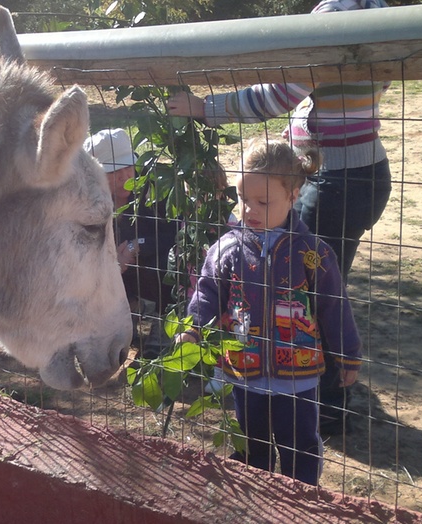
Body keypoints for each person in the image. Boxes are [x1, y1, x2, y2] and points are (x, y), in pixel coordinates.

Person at [168, 0, 391, 436]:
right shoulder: (376, 8)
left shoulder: (334, 14)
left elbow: (279, 94)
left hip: (337, 179)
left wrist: (204, 108)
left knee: (307, 280)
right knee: (318, 276)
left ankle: (320, 403)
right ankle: (322, 394)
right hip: (363, 172)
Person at [173, 139, 362, 485]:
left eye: (262, 201)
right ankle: (255, 498)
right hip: (245, 371)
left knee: (300, 446)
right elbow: (208, 291)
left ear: (293, 195)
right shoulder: (228, 249)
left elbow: (333, 305)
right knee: (250, 447)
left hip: (298, 376)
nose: (249, 210)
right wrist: (194, 326)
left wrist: (348, 355)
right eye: (243, 199)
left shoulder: (313, 254)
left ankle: (300, 500)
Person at [84, 128, 178, 359]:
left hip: (151, 262)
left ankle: (163, 320)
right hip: (111, 270)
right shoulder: (84, 197)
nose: (126, 177)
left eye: (128, 167)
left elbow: (174, 233)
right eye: (113, 171)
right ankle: (125, 315)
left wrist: (136, 246)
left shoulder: (156, 187)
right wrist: (109, 256)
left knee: (166, 261)